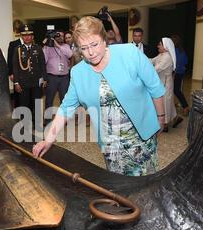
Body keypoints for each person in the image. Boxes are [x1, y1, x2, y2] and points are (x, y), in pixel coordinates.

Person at [33, 17, 166, 177]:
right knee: (118, 185)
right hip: (110, 143)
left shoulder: (129, 53)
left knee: (145, 183)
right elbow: (66, 108)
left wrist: (161, 117)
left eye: (94, 44)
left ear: (104, 39)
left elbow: (155, 87)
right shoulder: (78, 72)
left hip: (141, 138)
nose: (90, 52)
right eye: (84, 48)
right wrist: (48, 139)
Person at [12, 24, 47, 119]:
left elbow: (42, 64)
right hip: (23, 82)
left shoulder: (38, 48)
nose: (27, 37)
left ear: (32, 36)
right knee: (24, 104)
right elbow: (15, 67)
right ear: (22, 37)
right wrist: (16, 82)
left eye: (29, 35)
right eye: (24, 35)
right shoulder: (18, 50)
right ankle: (26, 125)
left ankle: (38, 124)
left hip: (36, 81)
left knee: (37, 103)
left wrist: (45, 79)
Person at [151, 38, 179, 133]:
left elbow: (156, 69)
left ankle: (165, 124)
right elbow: (152, 60)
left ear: (165, 46)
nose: (158, 46)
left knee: (165, 102)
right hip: (161, 82)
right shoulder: (161, 55)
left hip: (166, 83)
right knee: (168, 102)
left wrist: (145, 70)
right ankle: (175, 118)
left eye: (160, 44)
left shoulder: (167, 57)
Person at [43, 30, 73, 111]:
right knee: (49, 99)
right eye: (58, 36)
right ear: (54, 37)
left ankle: (64, 119)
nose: (60, 37)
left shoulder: (66, 46)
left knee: (64, 99)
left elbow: (70, 54)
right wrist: (46, 46)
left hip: (64, 78)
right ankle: (48, 120)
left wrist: (58, 46)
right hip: (52, 77)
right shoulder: (48, 48)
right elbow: (44, 60)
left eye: (62, 36)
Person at [171, 35, 190, 116]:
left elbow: (175, 63)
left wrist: (174, 72)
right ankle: (185, 107)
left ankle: (186, 107)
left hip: (176, 73)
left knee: (176, 90)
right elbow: (186, 61)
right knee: (176, 90)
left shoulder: (174, 51)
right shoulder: (181, 50)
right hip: (181, 72)